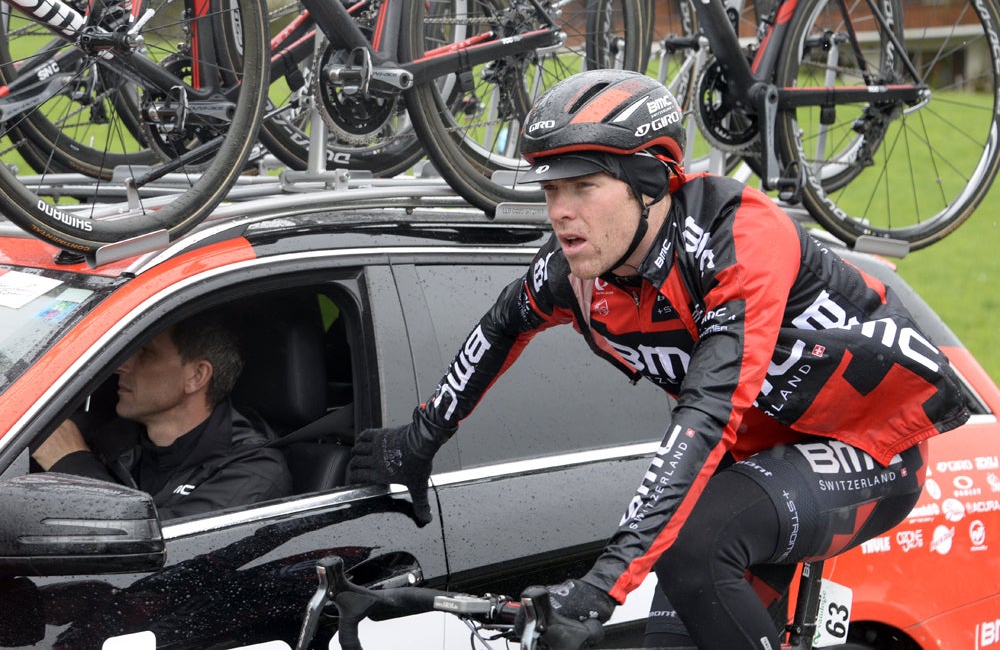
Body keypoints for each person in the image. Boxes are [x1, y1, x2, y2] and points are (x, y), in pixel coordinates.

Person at [347, 69, 970, 648]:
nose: (560, 211)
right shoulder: (581, 271)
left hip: (866, 445)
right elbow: (504, 324)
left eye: (584, 186)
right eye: (552, 188)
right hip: (760, 453)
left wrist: (599, 591)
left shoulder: (739, 239)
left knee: (697, 545)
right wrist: (422, 437)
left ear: (650, 181)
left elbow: (706, 415)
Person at [31, 312, 292, 521]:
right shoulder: (104, 433)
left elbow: (157, 549)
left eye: (145, 352)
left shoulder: (251, 470)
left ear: (196, 376)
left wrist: (74, 464)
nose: (121, 366)